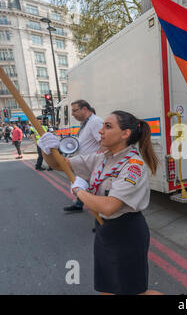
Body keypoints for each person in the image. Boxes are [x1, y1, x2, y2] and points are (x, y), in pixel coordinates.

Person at [38, 110, 161, 295]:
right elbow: (60, 164)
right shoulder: (101, 158)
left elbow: (109, 207)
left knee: (132, 292)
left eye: (108, 126)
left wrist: (80, 190)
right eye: (103, 125)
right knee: (107, 288)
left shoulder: (133, 166)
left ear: (125, 133)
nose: (100, 131)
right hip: (104, 230)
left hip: (127, 234)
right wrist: (46, 150)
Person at [63, 100, 104, 213]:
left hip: (92, 164)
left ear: (84, 109)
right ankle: (79, 204)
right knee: (81, 185)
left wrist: (96, 160)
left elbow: (104, 143)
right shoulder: (86, 123)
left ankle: (101, 221)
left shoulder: (95, 122)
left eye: (75, 110)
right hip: (84, 164)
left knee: (96, 192)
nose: (72, 114)